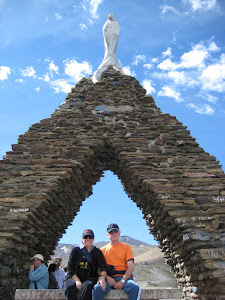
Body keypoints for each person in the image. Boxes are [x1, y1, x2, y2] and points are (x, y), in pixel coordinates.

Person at [93, 224, 141, 300]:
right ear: (107, 234)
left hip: (124, 278)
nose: (113, 233)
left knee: (135, 288)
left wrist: (122, 281)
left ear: (119, 233)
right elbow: (99, 269)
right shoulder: (102, 250)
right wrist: (107, 278)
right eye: (111, 232)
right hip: (109, 278)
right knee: (97, 288)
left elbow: (131, 267)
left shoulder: (126, 247)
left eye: (115, 231)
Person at [64, 229, 107, 300]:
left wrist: (102, 278)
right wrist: (77, 281)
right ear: (82, 239)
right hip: (73, 277)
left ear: (93, 239)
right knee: (70, 287)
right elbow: (70, 267)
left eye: (90, 237)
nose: (88, 239)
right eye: (85, 237)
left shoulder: (97, 252)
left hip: (89, 278)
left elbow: (103, 267)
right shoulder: (75, 250)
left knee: (88, 286)